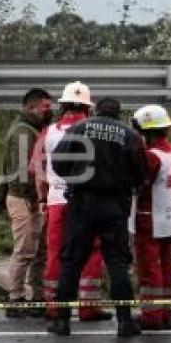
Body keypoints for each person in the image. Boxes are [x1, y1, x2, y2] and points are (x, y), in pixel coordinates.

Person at [47, 97, 146, 337]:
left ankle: (61, 321)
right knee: (117, 262)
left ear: (95, 110)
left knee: (72, 261)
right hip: (114, 205)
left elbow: (58, 163)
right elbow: (140, 171)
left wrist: (75, 177)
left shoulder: (79, 128)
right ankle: (124, 322)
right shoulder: (129, 135)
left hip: (82, 204)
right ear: (119, 113)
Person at [31, 81, 109, 322]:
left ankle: (54, 307)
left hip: (56, 201)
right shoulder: (95, 131)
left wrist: (44, 198)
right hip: (88, 202)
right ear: (88, 109)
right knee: (92, 251)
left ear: (62, 106)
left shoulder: (49, 132)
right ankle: (88, 308)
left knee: (55, 253)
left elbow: (37, 169)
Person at [131, 104, 171, 330]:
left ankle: (151, 316)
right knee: (166, 267)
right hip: (169, 218)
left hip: (149, 218)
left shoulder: (151, 156)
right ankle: (166, 312)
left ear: (146, 131)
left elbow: (139, 185)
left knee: (149, 268)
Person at [3, 88, 52, 318]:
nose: (49, 111)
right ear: (31, 107)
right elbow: (22, 171)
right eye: (45, 107)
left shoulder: (30, 129)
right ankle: (16, 297)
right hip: (24, 198)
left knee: (39, 250)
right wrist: (33, 199)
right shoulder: (24, 133)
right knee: (24, 250)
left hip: (29, 197)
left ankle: (36, 295)